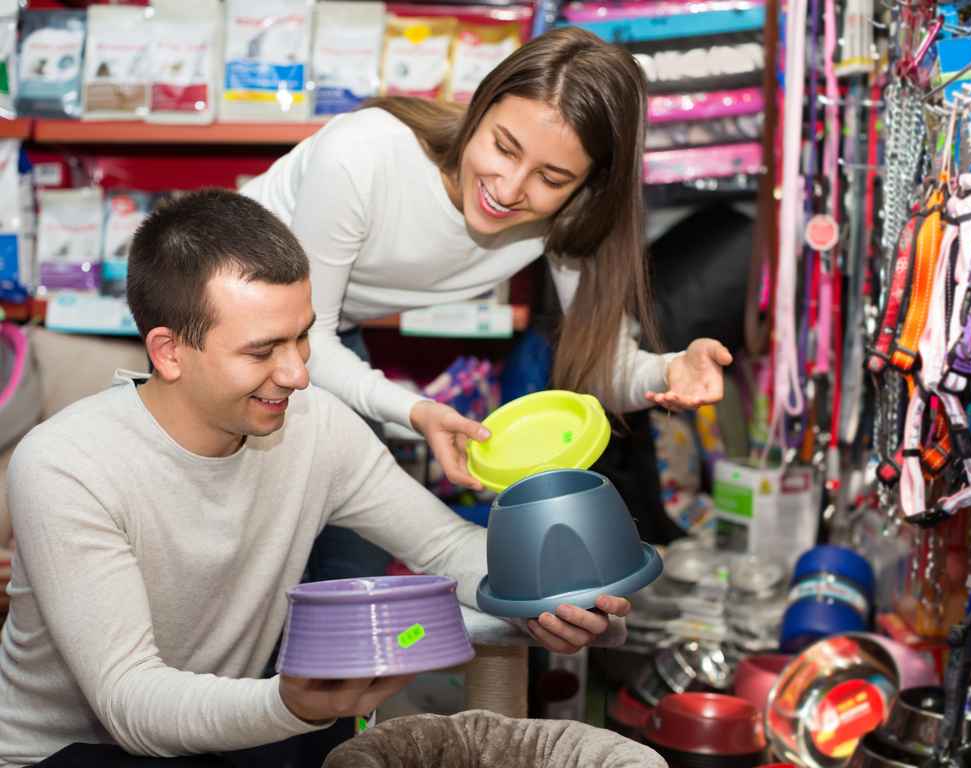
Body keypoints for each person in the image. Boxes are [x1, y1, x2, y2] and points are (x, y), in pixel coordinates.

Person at [0, 189, 629, 768]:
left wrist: (543, 595)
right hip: (66, 753)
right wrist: (292, 705)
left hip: (214, 732)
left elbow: (443, 546)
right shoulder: (66, 465)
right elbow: (129, 701)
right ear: (168, 352)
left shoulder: (315, 425)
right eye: (262, 350)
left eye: (302, 338)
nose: (299, 373)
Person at [241, 25, 733, 577]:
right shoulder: (363, 154)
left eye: (551, 177)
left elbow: (605, 372)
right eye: (503, 146)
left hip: (323, 338)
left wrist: (673, 369)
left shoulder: (564, 221)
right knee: (253, 554)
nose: (509, 188)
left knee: (354, 563)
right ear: (480, 108)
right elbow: (309, 340)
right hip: (225, 327)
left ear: (586, 187)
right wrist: (414, 411)